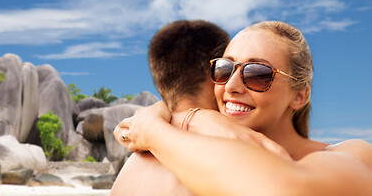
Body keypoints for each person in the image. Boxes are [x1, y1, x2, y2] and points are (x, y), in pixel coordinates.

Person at [117, 21, 372, 195]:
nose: (232, 85)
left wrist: (153, 130)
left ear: (300, 95)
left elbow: (287, 190)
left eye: (258, 73)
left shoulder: (356, 155)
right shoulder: (174, 153)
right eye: (224, 69)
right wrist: (197, 118)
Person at [110, 20, 230, 195]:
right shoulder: (226, 156)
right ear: (215, 72)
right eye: (228, 68)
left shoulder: (134, 162)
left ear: (161, 82)